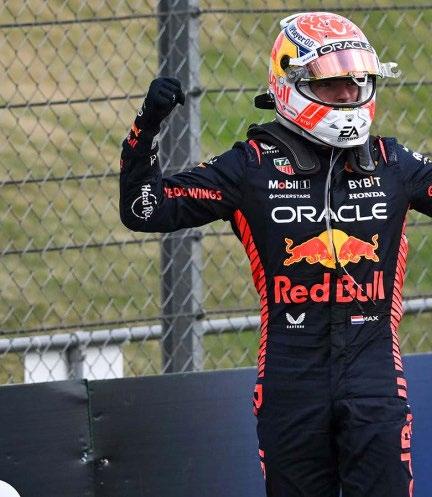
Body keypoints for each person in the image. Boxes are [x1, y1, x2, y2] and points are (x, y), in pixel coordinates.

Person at [119, 11, 430, 497]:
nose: (347, 95)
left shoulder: (395, 163)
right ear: (290, 85)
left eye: (357, 81)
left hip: (375, 376)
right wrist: (146, 128)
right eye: (331, 84)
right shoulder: (250, 166)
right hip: (290, 380)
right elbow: (144, 209)